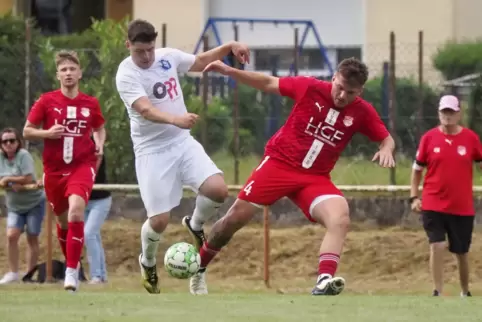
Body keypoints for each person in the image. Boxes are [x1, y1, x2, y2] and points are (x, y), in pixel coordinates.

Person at [192, 57, 396, 296]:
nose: (342, 96)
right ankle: (199, 268)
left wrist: (386, 149)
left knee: (340, 216)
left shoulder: (362, 111)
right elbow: (268, 82)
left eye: (350, 92)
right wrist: (229, 70)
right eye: (339, 87)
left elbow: (386, 138)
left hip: (315, 178)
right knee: (233, 220)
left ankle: (324, 280)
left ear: (359, 91)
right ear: (333, 78)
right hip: (279, 165)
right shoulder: (309, 87)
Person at [115, 19, 250, 295]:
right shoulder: (126, 74)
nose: (147, 56)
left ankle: (195, 223)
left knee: (218, 190)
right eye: (140, 51)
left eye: (150, 49)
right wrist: (176, 119)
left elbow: (200, 62)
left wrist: (229, 47)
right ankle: (148, 261)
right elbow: (146, 111)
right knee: (159, 221)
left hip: (181, 142)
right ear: (128, 45)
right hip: (151, 151)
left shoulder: (166, 57)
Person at [23, 50, 106, 292]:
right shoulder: (46, 101)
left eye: (72, 69)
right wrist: (47, 134)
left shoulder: (90, 103)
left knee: (76, 212)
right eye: (64, 70)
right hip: (54, 170)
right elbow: (27, 131)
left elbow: (100, 128)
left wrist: (99, 142)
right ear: (58, 75)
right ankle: (74, 261)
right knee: (63, 221)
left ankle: (71, 273)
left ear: (79, 74)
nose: (68, 73)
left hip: (82, 165)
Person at [410, 95, 481, 297]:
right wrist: (414, 197)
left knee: (461, 252)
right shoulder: (429, 138)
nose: (447, 116)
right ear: (439, 114)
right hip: (433, 203)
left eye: (451, 112)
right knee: (437, 244)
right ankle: (437, 291)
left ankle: (465, 291)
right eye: (444, 112)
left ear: (459, 114)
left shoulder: (471, 139)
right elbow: (416, 171)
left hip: (461, 205)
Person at [0, 128, 45, 284]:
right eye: (5, 141)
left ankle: (29, 274)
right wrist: (10, 181)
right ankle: (13, 273)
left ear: (18, 142)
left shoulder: (24, 156)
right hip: (15, 206)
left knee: (32, 237)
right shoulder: (0, 158)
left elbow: (28, 178)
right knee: (12, 236)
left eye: (12, 140)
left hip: (34, 202)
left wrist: (9, 180)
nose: (9, 144)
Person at [84, 152, 112, 284]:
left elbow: (91, 174)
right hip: (83, 199)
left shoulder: (96, 147)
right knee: (94, 236)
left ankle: (96, 275)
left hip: (101, 199)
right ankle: (102, 275)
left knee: (88, 233)